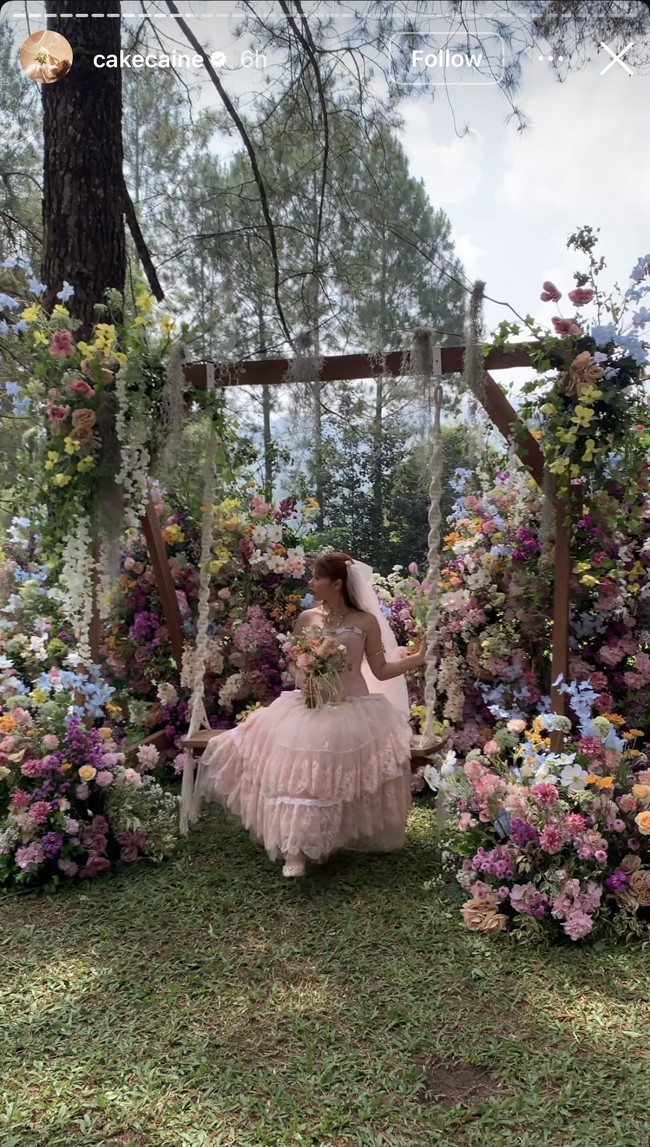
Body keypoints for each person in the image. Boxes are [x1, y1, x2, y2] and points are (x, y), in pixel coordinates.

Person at [185, 552, 426, 877]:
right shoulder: (307, 619)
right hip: (309, 705)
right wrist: (306, 679)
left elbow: (381, 670)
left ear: (337, 583)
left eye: (317, 578)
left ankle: (330, 837)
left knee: (330, 763)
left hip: (354, 708)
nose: (311, 584)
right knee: (299, 770)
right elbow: (296, 668)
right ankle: (295, 850)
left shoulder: (364, 621)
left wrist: (419, 659)